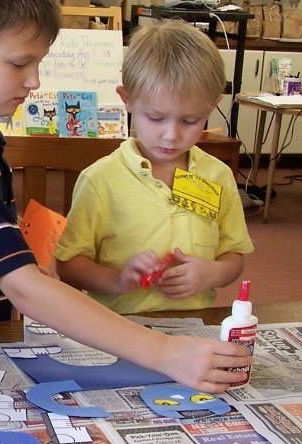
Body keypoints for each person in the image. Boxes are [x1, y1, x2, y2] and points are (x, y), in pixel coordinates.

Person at [0, 0, 251, 393]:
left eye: (38, 64)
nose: (34, 81)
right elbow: (24, 288)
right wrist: (165, 353)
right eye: (19, 64)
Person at [55, 21, 254, 315]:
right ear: (128, 100)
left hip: (192, 325)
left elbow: (233, 254)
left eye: (189, 121)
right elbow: (69, 264)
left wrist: (210, 274)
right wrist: (118, 280)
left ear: (212, 107)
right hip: (119, 326)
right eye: (156, 118)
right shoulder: (101, 180)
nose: (171, 135)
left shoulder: (218, 175)